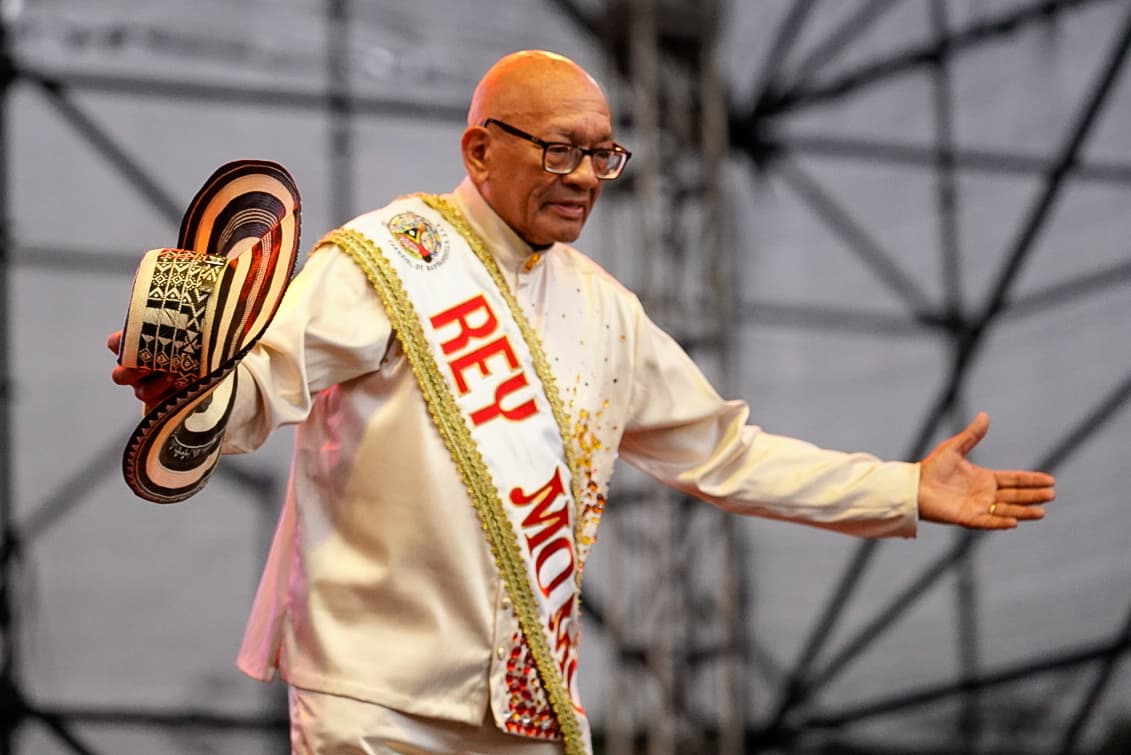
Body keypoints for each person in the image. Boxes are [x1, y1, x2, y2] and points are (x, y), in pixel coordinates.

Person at [108, 50, 1055, 755]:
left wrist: (900, 488)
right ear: (480, 149)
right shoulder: (389, 253)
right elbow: (265, 375)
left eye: (605, 156)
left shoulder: (607, 312)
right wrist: (182, 385)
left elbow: (725, 453)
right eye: (562, 150)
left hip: (521, 704)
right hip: (373, 696)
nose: (586, 178)